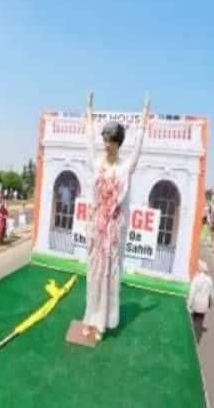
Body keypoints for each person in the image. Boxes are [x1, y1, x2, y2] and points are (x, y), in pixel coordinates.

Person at [80, 94, 149, 342]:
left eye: (110, 141)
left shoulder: (123, 168)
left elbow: (138, 150)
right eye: (105, 140)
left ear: (118, 143)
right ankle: (90, 317)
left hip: (113, 231)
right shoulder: (97, 163)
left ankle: (103, 323)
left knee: (109, 276)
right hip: (96, 228)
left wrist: (143, 119)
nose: (106, 145)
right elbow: (88, 141)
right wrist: (89, 112)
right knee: (93, 275)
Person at [188, 260, 214, 344]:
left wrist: (189, 304)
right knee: (199, 322)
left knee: (191, 321)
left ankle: (190, 339)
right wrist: (210, 305)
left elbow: (192, 293)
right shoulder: (209, 280)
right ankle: (196, 340)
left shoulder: (196, 279)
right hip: (204, 305)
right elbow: (212, 294)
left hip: (196, 304)